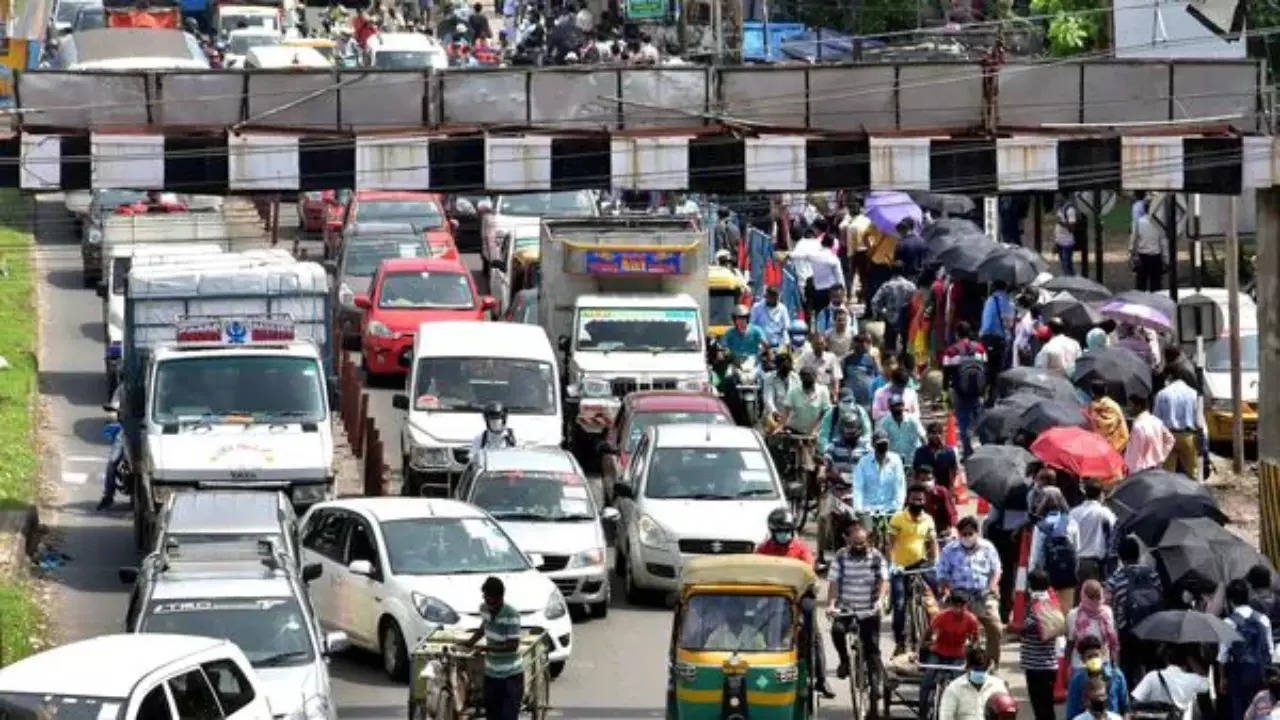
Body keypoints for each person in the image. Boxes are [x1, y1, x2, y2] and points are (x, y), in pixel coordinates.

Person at [755, 509, 837, 697]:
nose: (784, 535)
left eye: (787, 531)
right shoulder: (763, 550)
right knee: (756, 630)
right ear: (772, 531)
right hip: (772, 598)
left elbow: (809, 572)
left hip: (799, 596)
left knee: (812, 631)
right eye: (780, 531)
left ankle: (821, 679)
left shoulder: (801, 548)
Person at [936, 516, 1004, 667]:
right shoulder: (949, 550)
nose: (967, 537)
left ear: (976, 533)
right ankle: (948, 661)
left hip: (983, 594)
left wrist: (992, 586)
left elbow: (996, 570)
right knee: (943, 626)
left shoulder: (988, 547)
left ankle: (992, 662)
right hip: (958, 597)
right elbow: (941, 574)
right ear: (959, 534)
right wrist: (946, 589)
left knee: (995, 627)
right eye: (964, 534)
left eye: (970, 533)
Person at [826, 520, 888, 683]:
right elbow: (834, 582)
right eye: (855, 543)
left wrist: (880, 600)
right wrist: (831, 604)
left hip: (869, 609)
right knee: (837, 630)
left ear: (868, 541)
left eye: (862, 543)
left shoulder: (876, 556)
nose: (859, 546)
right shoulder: (841, 556)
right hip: (846, 608)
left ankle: (876, 682)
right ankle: (844, 661)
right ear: (848, 542)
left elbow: (884, 580)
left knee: (872, 648)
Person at [1104, 534, 1164, 688]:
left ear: (1120, 556)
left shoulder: (1115, 579)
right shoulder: (1153, 574)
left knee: (1127, 669)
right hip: (1153, 628)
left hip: (1128, 632)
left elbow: (1108, 607)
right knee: (1152, 667)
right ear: (1138, 554)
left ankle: (1129, 702)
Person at [887, 483, 939, 655]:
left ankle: (935, 633)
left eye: (921, 499)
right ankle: (900, 642)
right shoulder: (898, 518)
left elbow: (932, 542)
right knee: (900, 604)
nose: (918, 502)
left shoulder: (928, 519)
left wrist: (935, 560)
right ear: (908, 500)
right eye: (914, 499)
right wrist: (892, 563)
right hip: (900, 567)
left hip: (921, 564)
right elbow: (890, 543)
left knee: (938, 592)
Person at [465, 576, 524, 720]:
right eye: (486, 598)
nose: (489, 603)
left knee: (507, 716)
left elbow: (512, 646)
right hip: (491, 675)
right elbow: (483, 628)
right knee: (492, 715)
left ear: (500, 597)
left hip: (510, 676)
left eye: (492, 600)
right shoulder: (484, 609)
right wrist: (470, 642)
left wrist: (487, 648)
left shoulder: (511, 615)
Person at [1221, 578, 1277, 720]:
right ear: (1248, 597)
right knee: (1261, 708)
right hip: (1260, 671)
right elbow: (1269, 649)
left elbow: (1223, 655)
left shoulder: (1228, 622)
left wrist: (1222, 678)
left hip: (1238, 671)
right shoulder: (1263, 619)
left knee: (1239, 709)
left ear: (1230, 600)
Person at [921, 590, 981, 718]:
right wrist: (923, 645)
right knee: (926, 680)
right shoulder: (941, 616)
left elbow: (975, 640)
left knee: (959, 685)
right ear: (950, 604)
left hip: (957, 655)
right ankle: (922, 712)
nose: (958, 609)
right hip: (938, 652)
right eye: (955, 605)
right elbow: (928, 632)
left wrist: (973, 654)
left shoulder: (971, 620)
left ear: (966, 605)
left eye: (961, 606)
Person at [1021, 569, 1064, 720]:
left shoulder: (1034, 606)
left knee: (1040, 709)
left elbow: (1024, 628)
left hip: (1035, 666)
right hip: (1050, 665)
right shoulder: (1053, 602)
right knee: (1047, 706)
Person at [1029, 486, 1082, 608]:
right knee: (1066, 610)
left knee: (1049, 613)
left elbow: (1036, 556)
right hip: (1068, 577)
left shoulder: (1041, 526)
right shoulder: (1072, 523)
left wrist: (1032, 578)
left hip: (1047, 578)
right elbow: (1077, 551)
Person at [942, 321, 987, 458]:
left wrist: (945, 392)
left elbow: (946, 374)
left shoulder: (951, 351)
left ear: (957, 334)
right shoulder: (980, 348)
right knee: (980, 420)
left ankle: (967, 451)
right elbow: (985, 368)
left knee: (963, 421)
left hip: (959, 392)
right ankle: (985, 447)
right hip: (978, 391)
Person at [1130, 646, 1211, 720]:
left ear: (1166, 660)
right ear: (1186, 662)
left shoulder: (1152, 676)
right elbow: (1206, 684)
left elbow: (1135, 701)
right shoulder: (1192, 679)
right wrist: (1190, 658)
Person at [1154, 374, 1207, 482]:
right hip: (1188, 437)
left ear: (1169, 379)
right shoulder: (1193, 394)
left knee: (1167, 474)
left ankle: (1169, 496)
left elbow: (1156, 420)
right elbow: (1200, 420)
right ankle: (1191, 495)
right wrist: (1204, 443)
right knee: (1192, 473)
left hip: (1168, 437)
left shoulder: (1162, 394)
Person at [1065, 635, 1131, 719]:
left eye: (1096, 655)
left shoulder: (1116, 676)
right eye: (1089, 657)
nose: (1093, 659)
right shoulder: (1077, 680)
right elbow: (1072, 712)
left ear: (1102, 654)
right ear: (1082, 659)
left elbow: (1125, 707)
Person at [938, 645, 1010, 720]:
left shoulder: (998, 687)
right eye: (976, 669)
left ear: (988, 667)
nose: (979, 672)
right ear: (967, 667)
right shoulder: (954, 689)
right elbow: (945, 716)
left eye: (982, 669)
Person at [1070, 479, 1116, 584]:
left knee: (1079, 598)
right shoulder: (1104, 512)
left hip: (1075, 563)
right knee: (1093, 597)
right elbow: (1115, 530)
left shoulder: (1073, 513)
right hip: (1095, 564)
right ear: (1101, 494)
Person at [1067, 579, 1119, 669]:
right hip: (1103, 663)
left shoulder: (1073, 614)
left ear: (1082, 595)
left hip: (1080, 665)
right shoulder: (1107, 612)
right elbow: (1111, 643)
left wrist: (1066, 663)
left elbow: (1070, 642)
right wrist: (1113, 663)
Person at [851, 430, 905, 515]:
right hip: (868, 509)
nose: (882, 446)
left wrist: (898, 508)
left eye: (885, 444)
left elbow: (899, 486)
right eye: (879, 444)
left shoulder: (896, 460)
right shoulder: (863, 462)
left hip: (890, 509)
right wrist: (858, 509)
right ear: (873, 445)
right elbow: (858, 487)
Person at [979, 279, 1016, 396]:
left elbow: (986, 322)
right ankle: (994, 395)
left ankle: (984, 394)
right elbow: (1009, 324)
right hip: (1001, 340)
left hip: (987, 338)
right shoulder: (1009, 303)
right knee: (998, 369)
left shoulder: (990, 300)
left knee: (987, 367)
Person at [871, 262, 915, 356]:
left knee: (890, 349)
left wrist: (881, 312)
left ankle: (891, 366)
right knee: (907, 347)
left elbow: (874, 301)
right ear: (903, 271)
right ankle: (906, 365)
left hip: (890, 319)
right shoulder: (911, 286)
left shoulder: (887, 286)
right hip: (907, 320)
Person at [1124, 393, 1175, 474]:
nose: (1130, 409)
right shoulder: (1156, 421)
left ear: (1138, 407)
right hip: (1157, 467)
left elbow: (1136, 454)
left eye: (1132, 406)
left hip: (1141, 471)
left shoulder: (1138, 426)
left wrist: (1131, 472)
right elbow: (1170, 440)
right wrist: (1162, 456)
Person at [783, 368, 831, 438]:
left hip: (815, 433)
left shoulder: (823, 391)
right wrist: (782, 426)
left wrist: (815, 429)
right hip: (795, 430)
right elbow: (786, 412)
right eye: (804, 377)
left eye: (809, 377)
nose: (806, 379)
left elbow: (824, 412)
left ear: (815, 377)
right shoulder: (793, 391)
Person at [1131, 204, 1169, 293]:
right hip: (1156, 257)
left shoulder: (1139, 222)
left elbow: (1134, 239)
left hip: (1142, 256)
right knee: (1156, 286)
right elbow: (1163, 243)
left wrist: (1133, 255)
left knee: (1141, 285)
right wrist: (1166, 260)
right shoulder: (1159, 223)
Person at [878, 395, 925, 464]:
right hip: (894, 460)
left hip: (913, 458)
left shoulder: (913, 420)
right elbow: (880, 440)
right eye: (893, 406)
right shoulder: (884, 422)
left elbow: (923, 437)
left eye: (898, 405)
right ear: (889, 408)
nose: (896, 408)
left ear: (903, 405)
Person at [914, 421, 960, 491]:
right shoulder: (920, 452)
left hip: (944, 490)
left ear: (943, 435)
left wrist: (951, 489)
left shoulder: (949, 452)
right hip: (925, 490)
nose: (937, 436)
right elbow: (916, 473)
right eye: (933, 433)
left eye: (939, 433)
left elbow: (953, 472)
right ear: (928, 435)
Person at [915, 465, 958, 537]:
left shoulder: (941, 492)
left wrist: (952, 527)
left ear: (934, 479)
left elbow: (951, 512)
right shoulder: (914, 494)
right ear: (917, 480)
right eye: (923, 480)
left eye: (929, 479)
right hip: (920, 531)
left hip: (940, 531)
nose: (926, 482)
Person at [842, 332, 881, 410]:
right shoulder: (847, 360)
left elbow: (878, 377)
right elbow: (844, 378)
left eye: (863, 343)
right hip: (852, 399)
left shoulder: (872, 359)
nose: (860, 346)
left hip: (869, 398)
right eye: (858, 343)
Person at [1087, 381, 1129, 452]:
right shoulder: (1114, 406)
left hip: (1097, 448)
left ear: (1092, 392)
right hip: (1114, 446)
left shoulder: (1091, 408)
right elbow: (1123, 428)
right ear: (1105, 390)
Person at [762, 352, 798, 431]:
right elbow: (768, 399)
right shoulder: (769, 378)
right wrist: (774, 412)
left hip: (792, 419)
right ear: (777, 367)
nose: (785, 374)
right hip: (774, 416)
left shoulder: (797, 378)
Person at [799, 332, 842, 399]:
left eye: (821, 344)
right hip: (809, 394)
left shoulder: (831, 357)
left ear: (825, 344)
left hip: (827, 393)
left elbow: (836, 378)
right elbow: (798, 374)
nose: (819, 347)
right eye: (816, 344)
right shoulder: (805, 357)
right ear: (812, 345)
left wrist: (835, 395)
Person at [1248, 564, 1280, 653]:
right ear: (1269, 581)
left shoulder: (1252, 606)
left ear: (1251, 583)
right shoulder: (1278, 599)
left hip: (1266, 649)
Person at [1055, 193, 1079, 275]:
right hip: (1060, 241)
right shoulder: (1060, 208)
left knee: (1067, 265)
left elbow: (1072, 228)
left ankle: (1071, 281)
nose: (1056, 197)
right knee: (1064, 265)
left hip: (1067, 242)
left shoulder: (1070, 210)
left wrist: (1062, 223)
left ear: (1063, 195)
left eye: (1058, 195)